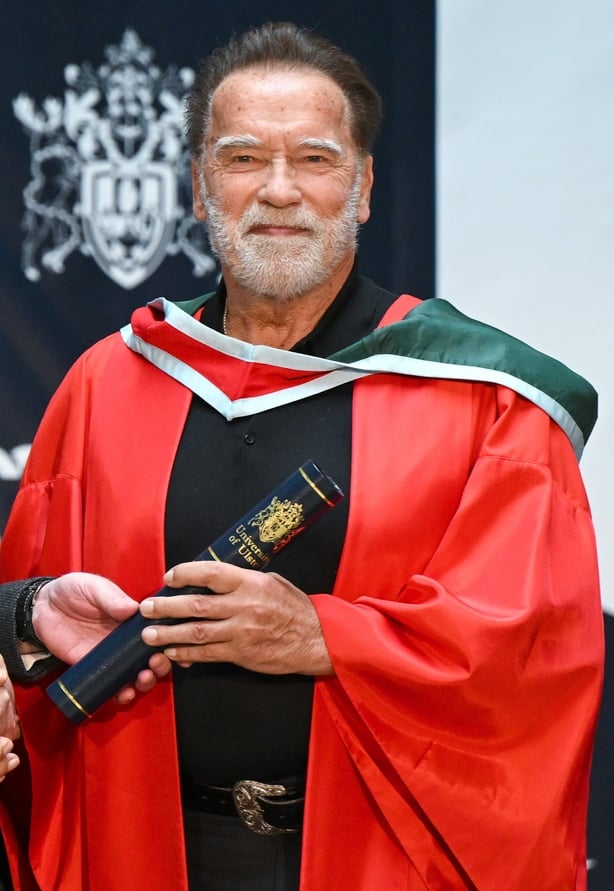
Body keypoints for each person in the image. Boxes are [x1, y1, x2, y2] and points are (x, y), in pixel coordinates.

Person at [0, 20, 603, 891]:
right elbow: (30, 614)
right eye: (242, 159)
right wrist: (25, 612)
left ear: (361, 187)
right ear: (201, 191)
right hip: (140, 850)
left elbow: (533, 658)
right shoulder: (109, 381)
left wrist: (325, 636)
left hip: (381, 860)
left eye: (315, 160)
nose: (278, 191)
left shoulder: (488, 399)